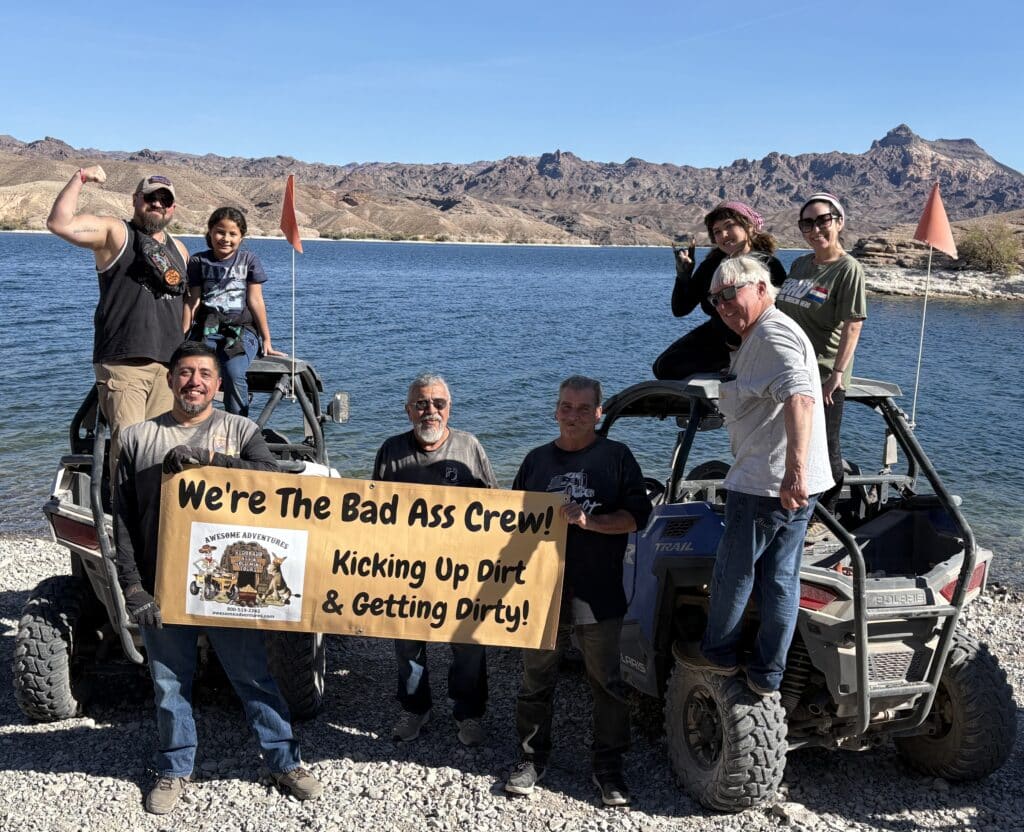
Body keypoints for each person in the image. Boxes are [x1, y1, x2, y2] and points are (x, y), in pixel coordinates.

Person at [113, 341, 322, 815]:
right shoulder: (136, 438)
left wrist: (212, 461)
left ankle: (284, 760)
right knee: (169, 685)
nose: (195, 382)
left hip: (233, 588)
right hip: (161, 585)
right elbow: (122, 518)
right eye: (185, 373)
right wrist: (132, 587)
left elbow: (271, 480)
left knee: (255, 677)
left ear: (219, 383)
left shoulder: (240, 428)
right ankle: (173, 770)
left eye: (205, 374)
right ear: (169, 381)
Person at [681, 256, 833, 696]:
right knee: (780, 576)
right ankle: (768, 674)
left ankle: (718, 655)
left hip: (767, 482)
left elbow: (802, 399)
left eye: (731, 293)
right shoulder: (761, 336)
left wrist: (794, 473)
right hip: (786, 481)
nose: (723, 305)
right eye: (714, 299)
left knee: (733, 572)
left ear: (763, 288)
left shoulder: (772, 333)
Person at [505, 376, 651, 807]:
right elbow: (512, 521)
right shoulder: (536, 461)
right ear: (556, 410)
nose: (573, 416)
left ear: (599, 414)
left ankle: (609, 768)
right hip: (541, 595)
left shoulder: (616, 457)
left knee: (606, 684)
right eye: (566, 407)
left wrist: (590, 522)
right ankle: (532, 758)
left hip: (598, 594)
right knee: (535, 682)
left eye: (583, 409)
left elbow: (637, 518)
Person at [373, 373, 498, 747]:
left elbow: (495, 508)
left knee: (468, 646)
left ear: (450, 408)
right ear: (408, 410)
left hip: (461, 571)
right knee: (408, 645)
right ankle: (415, 709)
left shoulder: (469, 447)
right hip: (405, 569)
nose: (431, 411)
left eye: (438, 403)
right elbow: (370, 513)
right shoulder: (391, 451)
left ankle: (469, 713)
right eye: (422, 404)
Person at [46, 168, 189, 477]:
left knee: (161, 450)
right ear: (136, 200)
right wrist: (79, 178)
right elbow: (59, 224)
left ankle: (155, 521)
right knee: (129, 450)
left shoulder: (180, 250)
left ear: (173, 208)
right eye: (151, 197)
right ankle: (121, 523)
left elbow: (189, 304)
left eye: (165, 200)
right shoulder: (116, 233)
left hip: (168, 370)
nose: (158, 204)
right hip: (125, 364)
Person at [776, 193, 867, 527]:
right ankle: (790, 508)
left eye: (822, 221)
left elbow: (853, 324)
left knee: (825, 449)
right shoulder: (801, 265)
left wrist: (837, 375)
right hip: (789, 371)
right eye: (807, 223)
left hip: (823, 373)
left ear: (838, 222)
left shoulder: (848, 269)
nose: (815, 229)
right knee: (789, 444)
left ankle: (821, 518)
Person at [653, 201, 787, 380]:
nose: (724, 235)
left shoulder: (768, 265)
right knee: (663, 367)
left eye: (729, 226)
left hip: (754, 339)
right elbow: (680, 309)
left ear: (749, 227)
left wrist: (738, 344)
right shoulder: (712, 265)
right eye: (717, 231)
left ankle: (732, 379)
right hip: (717, 335)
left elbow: (779, 312)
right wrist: (683, 275)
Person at [184, 207, 285, 416]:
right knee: (195, 371)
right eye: (220, 231)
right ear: (210, 232)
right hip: (207, 330)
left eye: (233, 234)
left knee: (233, 371)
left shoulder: (248, 260)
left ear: (241, 237)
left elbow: (256, 300)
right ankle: (193, 419)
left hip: (241, 331)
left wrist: (266, 340)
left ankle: (237, 426)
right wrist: (182, 335)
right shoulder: (198, 261)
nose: (225, 238)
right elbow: (191, 302)